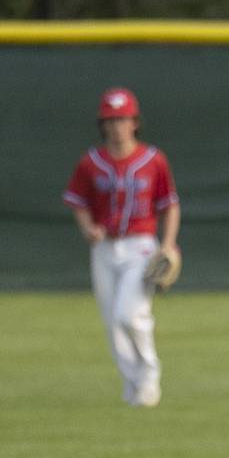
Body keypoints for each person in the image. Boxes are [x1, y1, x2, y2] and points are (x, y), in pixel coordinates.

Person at [62, 87, 180, 408]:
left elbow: (169, 205)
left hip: (141, 246)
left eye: (123, 119)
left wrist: (168, 245)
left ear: (135, 122)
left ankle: (149, 377)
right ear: (103, 124)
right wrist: (87, 228)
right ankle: (133, 386)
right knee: (112, 322)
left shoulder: (153, 160)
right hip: (104, 250)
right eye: (111, 120)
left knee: (130, 314)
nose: (117, 126)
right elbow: (78, 201)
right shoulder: (91, 163)